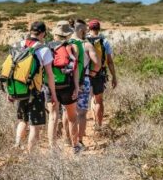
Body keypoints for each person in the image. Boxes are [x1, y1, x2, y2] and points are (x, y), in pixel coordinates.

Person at [12, 21, 58, 153]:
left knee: (23, 120)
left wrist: (11, 92)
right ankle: (30, 155)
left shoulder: (18, 45)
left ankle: (17, 144)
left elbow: (12, 70)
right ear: (43, 33)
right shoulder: (44, 50)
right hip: (36, 92)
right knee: (34, 126)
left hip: (20, 89)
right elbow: (49, 75)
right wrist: (53, 94)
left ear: (30, 31)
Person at [47, 22, 80, 150]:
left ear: (55, 34)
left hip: (50, 86)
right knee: (72, 117)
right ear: (68, 35)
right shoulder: (72, 47)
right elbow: (75, 69)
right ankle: (75, 146)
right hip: (68, 85)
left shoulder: (47, 47)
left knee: (52, 117)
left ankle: (52, 148)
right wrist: (76, 87)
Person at [71, 19, 100, 152]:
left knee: (68, 112)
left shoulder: (65, 43)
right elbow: (97, 63)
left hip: (68, 82)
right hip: (84, 80)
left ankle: (69, 140)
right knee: (82, 113)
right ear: (82, 30)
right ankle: (79, 141)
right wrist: (92, 74)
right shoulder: (86, 45)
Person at [87, 19, 118, 130]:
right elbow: (109, 61)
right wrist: (114, 76)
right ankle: (98, 125)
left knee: (92, 99)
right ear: (99, 28)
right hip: (100, 73)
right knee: (99, 100)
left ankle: (90, 124)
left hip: (86, 73)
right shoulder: (104, 42)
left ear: (89, 28)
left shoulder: (84, 40)